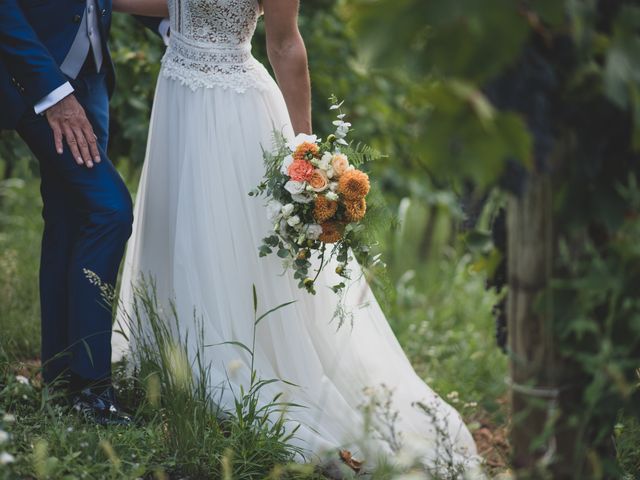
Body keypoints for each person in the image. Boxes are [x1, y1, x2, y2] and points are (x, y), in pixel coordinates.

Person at [112, 0, 480, 473]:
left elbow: (285, 43)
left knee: (227, 238)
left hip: (230, 109)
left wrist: (306, 156)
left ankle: (222, 375)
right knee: (181, 223)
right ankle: (171, 362)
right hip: (178, 93)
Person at [0, 0, 167, 425]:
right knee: (109, 211)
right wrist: (52, 92)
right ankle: (92, 388)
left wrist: (181, 26)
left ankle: (60, 379)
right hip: (37, 76)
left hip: (91, 77)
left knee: (69, 218)